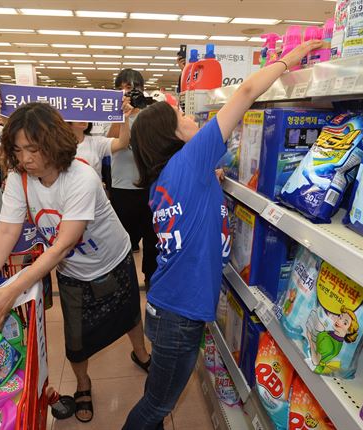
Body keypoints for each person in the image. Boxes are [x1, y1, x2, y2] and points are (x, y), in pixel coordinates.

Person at [122, 40, 322, 429]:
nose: (190, 118)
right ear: (172, 137)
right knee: (156, 406)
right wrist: (287, 60)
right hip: (180, 313)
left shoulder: (169, 177)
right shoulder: (191, 159)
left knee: (158, 399)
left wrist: (212, 177)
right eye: (180, 117)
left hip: (164, 306)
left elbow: (193, 202)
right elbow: (246, 92)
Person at [0, 102, 150, 423]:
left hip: (112, 257)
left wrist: (12, 289)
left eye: (33, 149)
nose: (25, 159)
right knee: (75, 339)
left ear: (54, 144)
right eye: (18, 150)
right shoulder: (20, 180)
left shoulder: (81, 177)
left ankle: (141, 353)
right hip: (72, 271)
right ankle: (83, 382)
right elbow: (6, 231)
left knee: (129, 311)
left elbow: (63, 244)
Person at [108, 69, 158, 289]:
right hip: (121, 186)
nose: (126, 92)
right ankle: (123, 280)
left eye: (130, 87)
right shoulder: (112, 113)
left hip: (149, 185)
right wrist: (121, 116)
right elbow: (109, 141)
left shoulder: (151, 114)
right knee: (122, 238)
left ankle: (151, 278)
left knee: (152, 237)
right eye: (122, 88)